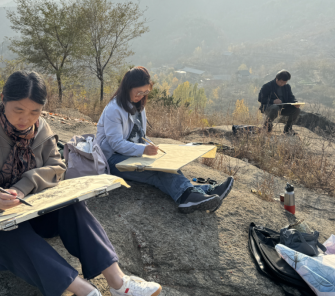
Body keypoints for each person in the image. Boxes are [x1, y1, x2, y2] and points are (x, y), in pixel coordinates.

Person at [0, 70, 161, 296]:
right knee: (6, 235)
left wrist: (23, 186)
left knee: (72, 206)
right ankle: (86, 292)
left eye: (34, 112)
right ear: (2, 99)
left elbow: (57, 166)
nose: (25, 119)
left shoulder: (40, 128)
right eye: (18, 109)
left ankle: (118, 283)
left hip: (34, 210)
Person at [96, 66, 234, 214]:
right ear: (128, 88)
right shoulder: (114, 109)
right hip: (113, 160)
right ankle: (188, 197)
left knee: (166, 165)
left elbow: (139, 135)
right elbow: (115, 143)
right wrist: (143, 149)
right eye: (139, 92)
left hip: (130, 156)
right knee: (159, 173)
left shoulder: (139, 107)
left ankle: (200, 193)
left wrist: (148, 145)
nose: (142, 96)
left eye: (145, 92)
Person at [258, 70, 301, 135]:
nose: (283, 84)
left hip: (283, 108)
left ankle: (288, 129)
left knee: (296, 110)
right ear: (277, 79)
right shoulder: (267, 86)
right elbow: (260, 99)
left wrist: (295, 102)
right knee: (275, 107)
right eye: (281, 82)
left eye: (285, 82)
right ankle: (267, 126)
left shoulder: (287, 87)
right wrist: (273, 101)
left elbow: (291, 97)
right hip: (269, 108)